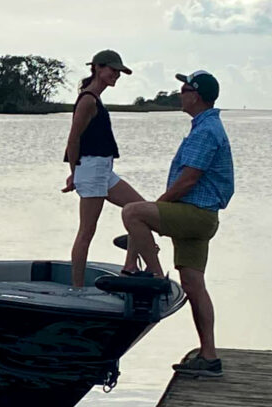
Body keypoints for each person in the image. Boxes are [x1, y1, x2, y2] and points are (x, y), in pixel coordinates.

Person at [120, 70, 234, 377]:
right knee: (194, 285)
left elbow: (189, 179)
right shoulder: (206, 126)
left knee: (132, 212)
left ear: (195, 95)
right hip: (201, 216)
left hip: (195, 215)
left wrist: (159, 206)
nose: (180, 94)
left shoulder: (206, 131)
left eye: (184, 90)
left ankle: (154, 276)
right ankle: (209, 356)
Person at [62, 50, 146, 287]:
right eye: (112, 70)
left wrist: (75, 172)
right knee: (87, 231)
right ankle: (77, 288)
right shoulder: (88, 99)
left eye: (119, 72)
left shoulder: (95, 98)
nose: (116, 75)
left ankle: (130, 266)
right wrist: (75, 173)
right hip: (91, 169)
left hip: (102, 170)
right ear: (98, 68)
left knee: (140, 210)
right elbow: (73, 139)